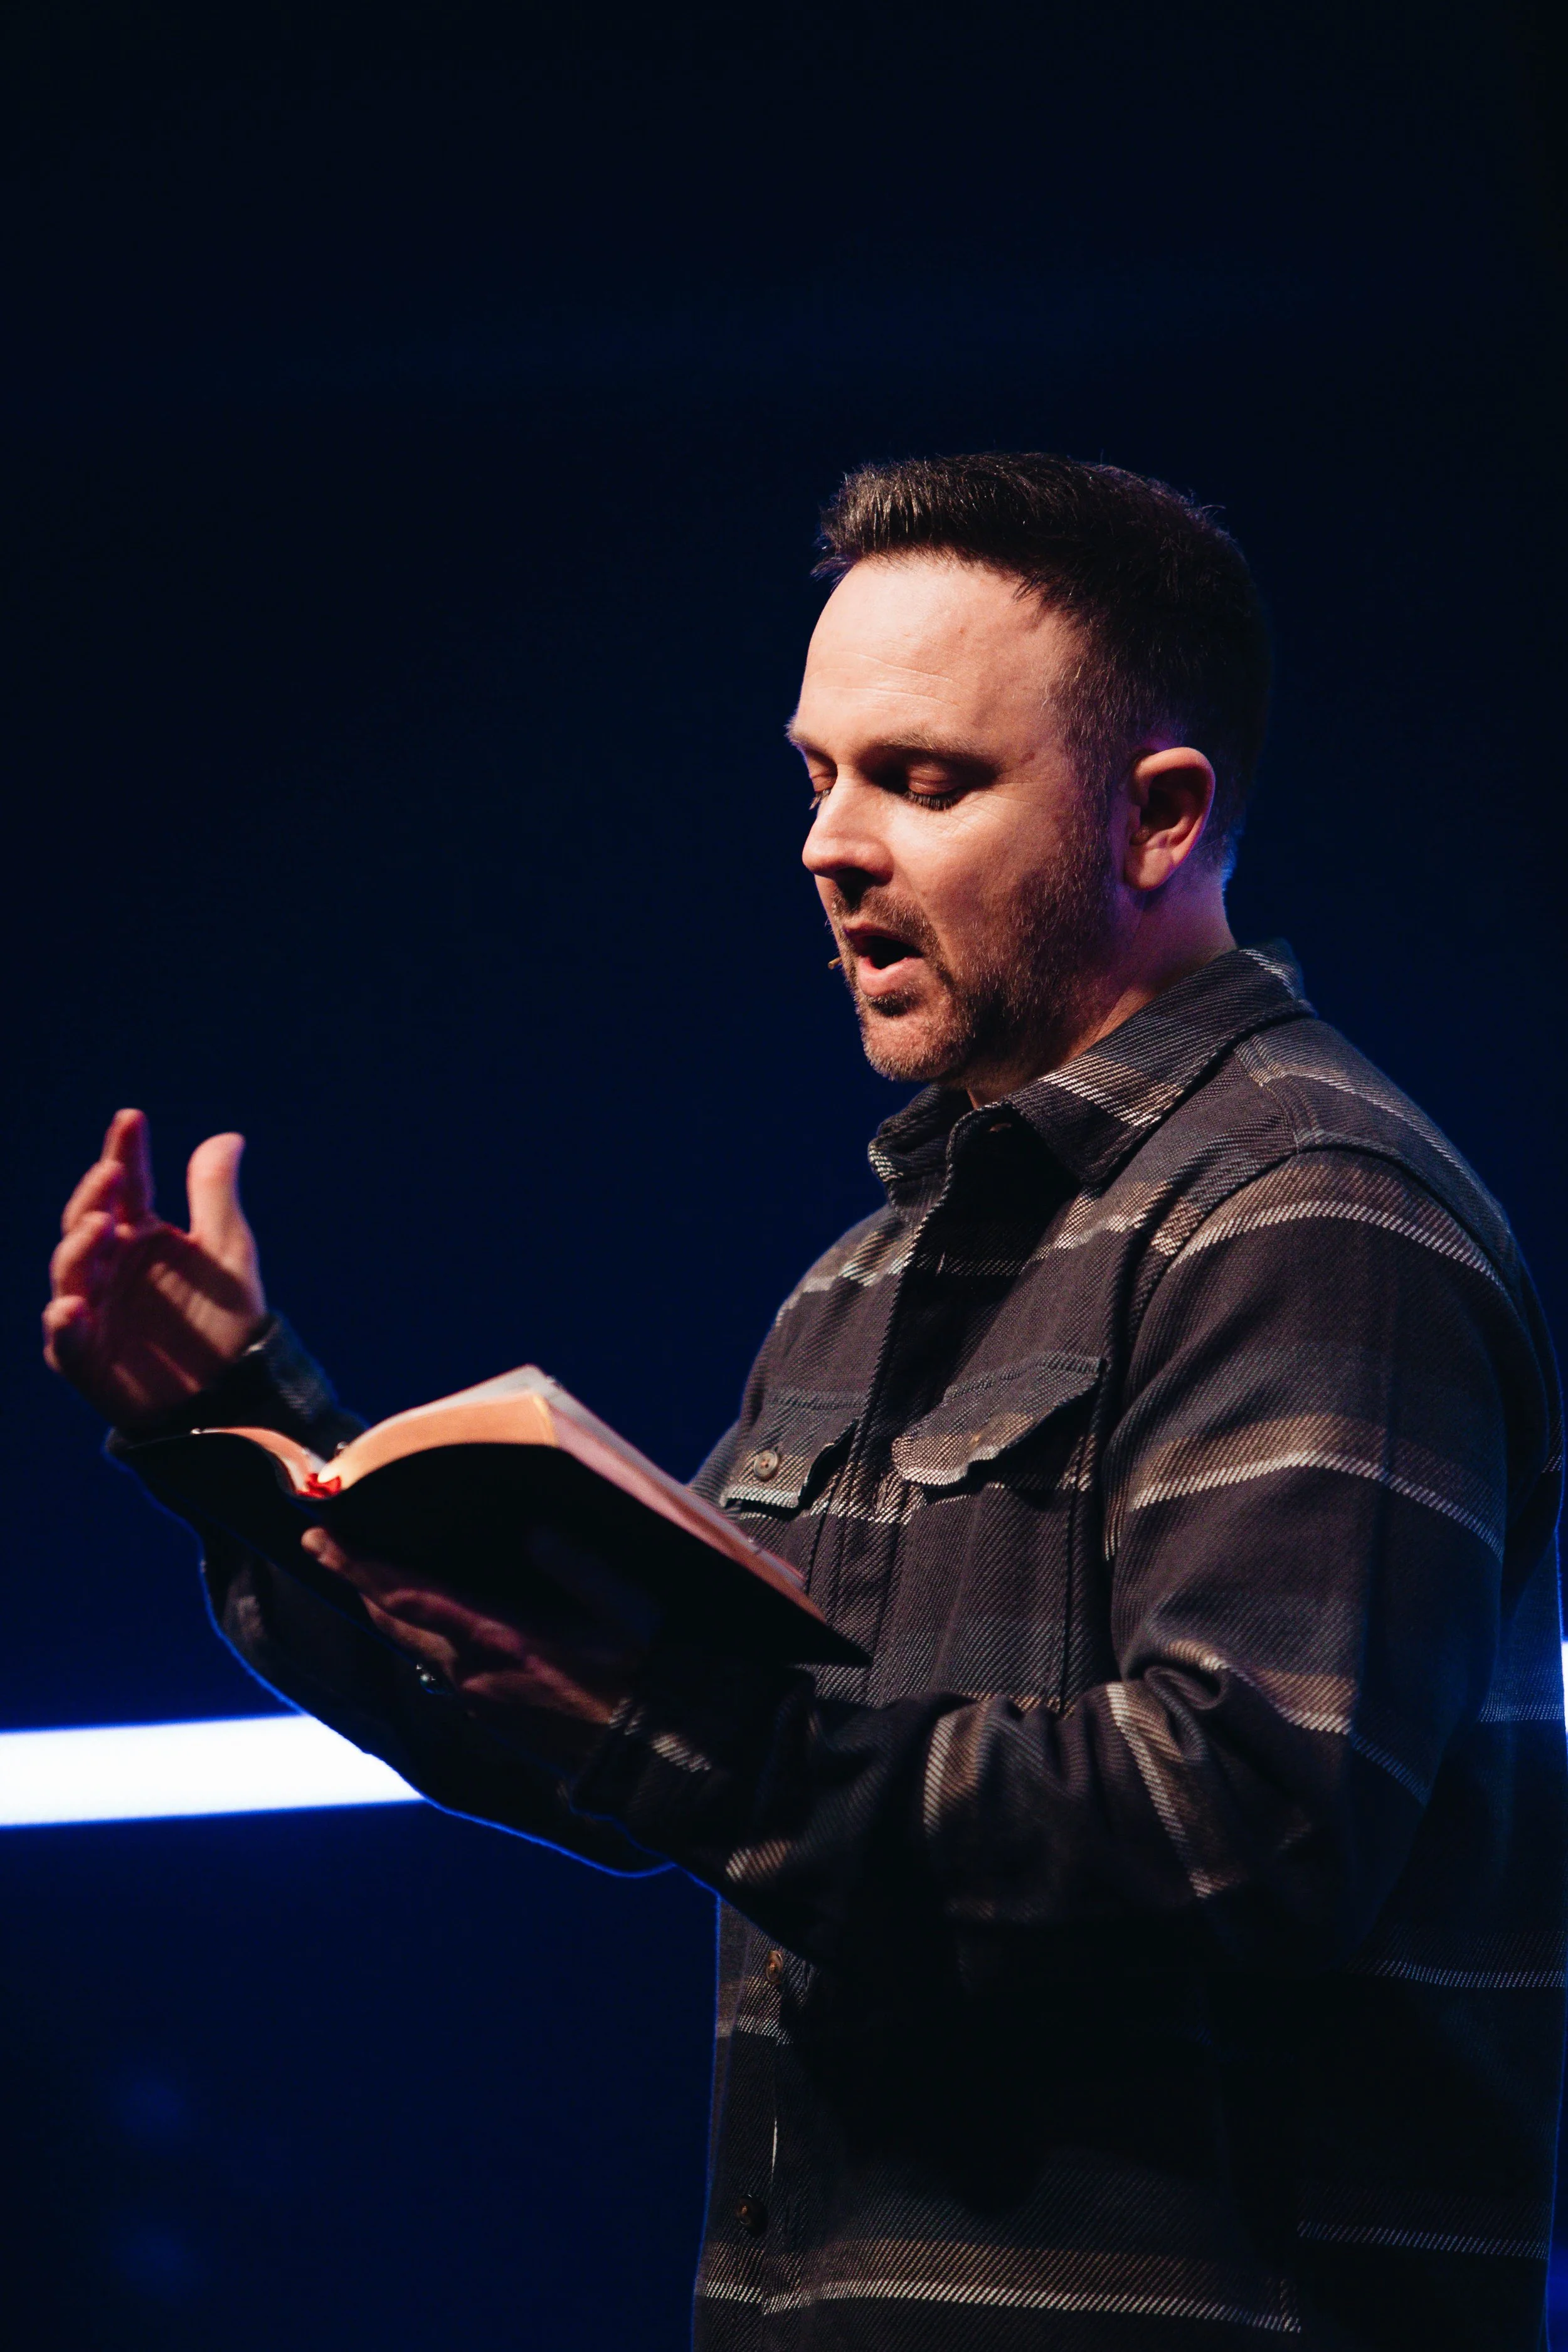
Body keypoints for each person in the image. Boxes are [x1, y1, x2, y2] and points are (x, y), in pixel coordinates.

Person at [46, 453, 1564, 2351]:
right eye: (817, 773)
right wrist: (238, 1441)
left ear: (1158, 816)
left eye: (923, 779)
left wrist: (689, 1728)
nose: (829, 843)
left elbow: (1246, 1829)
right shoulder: (863, 1280)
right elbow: (598, 1738)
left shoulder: (1310, 1214)